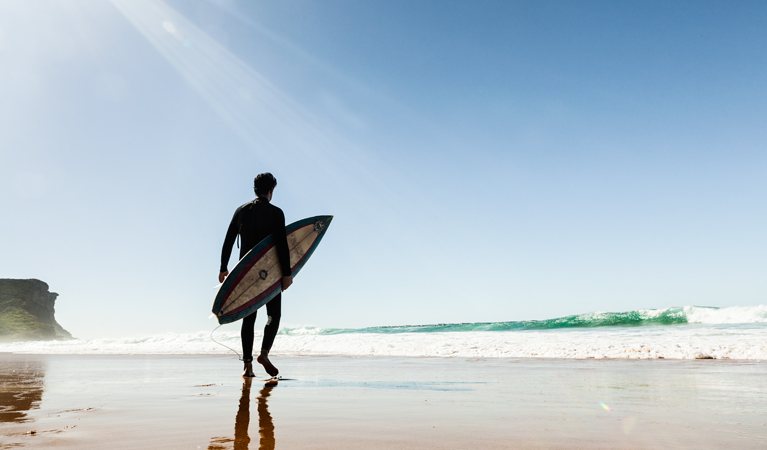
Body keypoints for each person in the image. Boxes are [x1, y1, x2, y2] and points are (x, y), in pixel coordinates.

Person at [219, 173, 293, 378]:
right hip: (271, 273)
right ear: (271, 191)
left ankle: (248, 366)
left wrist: (223, 268)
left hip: (246, 273)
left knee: (248, 319)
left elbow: (228, 240)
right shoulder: (276, 212)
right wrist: (286, 274)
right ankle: (264, 353)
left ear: (255, 190)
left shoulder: (241, 211)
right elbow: (282, 246)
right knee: (274, 316)